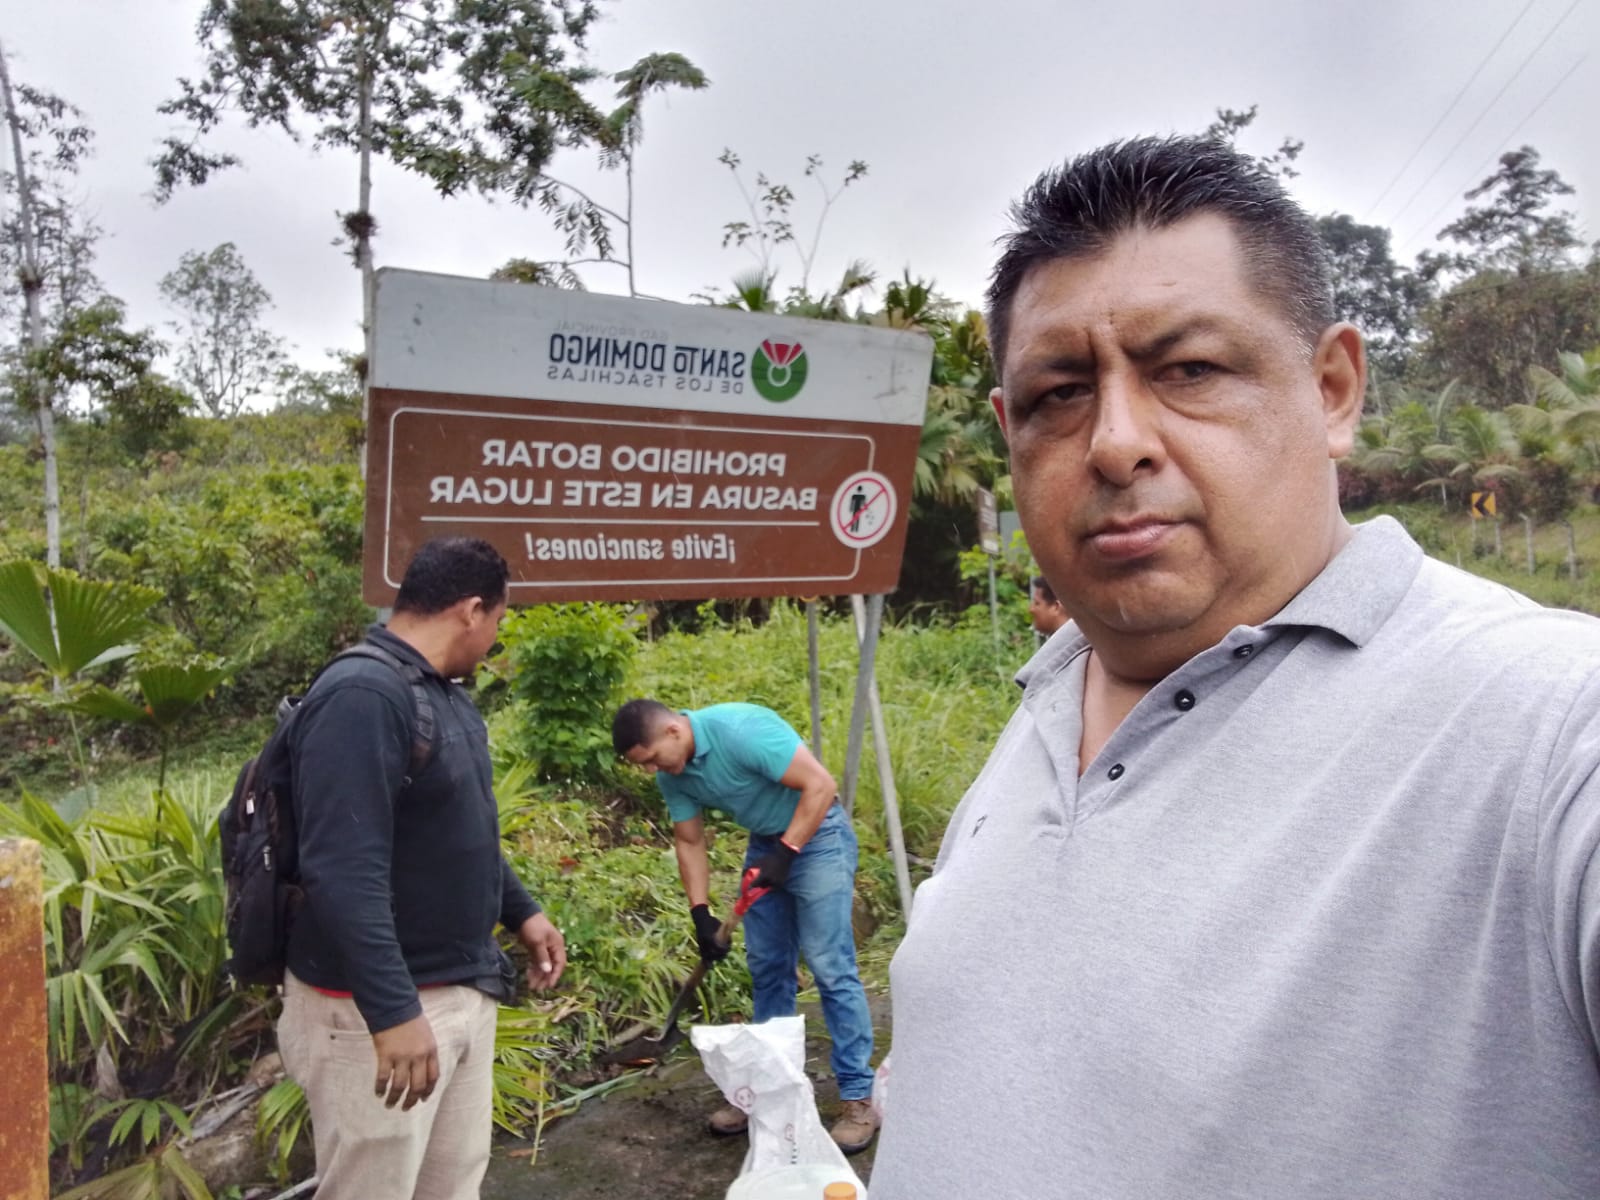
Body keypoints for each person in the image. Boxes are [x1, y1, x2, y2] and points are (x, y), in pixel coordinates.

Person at [870, 136, 1600, 1199]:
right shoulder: (1051, 693)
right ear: (1007, 431)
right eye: (1058, 393)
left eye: (1190, 371)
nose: (1113, 442)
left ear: (1332, 389)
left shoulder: (1551, 728)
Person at [277, 537, 567, 1200]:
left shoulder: (440, 694)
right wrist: (391, 1011)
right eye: (499, 619)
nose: (495, 637)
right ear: (472, 610)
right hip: (378, 1013)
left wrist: (521, 911)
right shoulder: (361, 696)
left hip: (456, 987)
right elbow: (340, 869)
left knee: (451, 1185)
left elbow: (458, 829)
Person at [612, 698, 880, 1154]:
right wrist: (701, 913)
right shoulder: (673, 774)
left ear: (674, 731)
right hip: (766, 844)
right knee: (768, 967)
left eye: (653, 758)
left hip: (818, 836)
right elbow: (689, 840)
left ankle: (858, 1098)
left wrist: (788, 852)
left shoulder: (741, 731)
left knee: (829, 966)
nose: (653, 770)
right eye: (644, 765)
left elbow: (821, 785)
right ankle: (768, 1091)